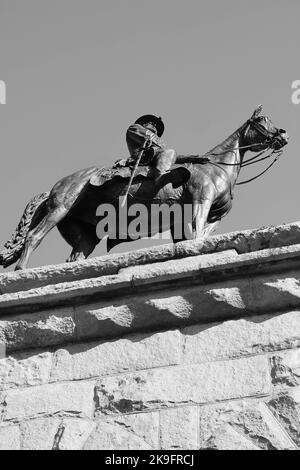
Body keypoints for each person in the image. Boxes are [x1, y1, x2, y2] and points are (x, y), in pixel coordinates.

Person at [125, 114, 178, 188]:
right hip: (143, 157)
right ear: (143, 124)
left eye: (156, 125)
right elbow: (147, 138)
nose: (154, 125)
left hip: (156, 156)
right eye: (150, 123)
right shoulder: (134, 127)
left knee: (172, 153)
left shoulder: (160, 144)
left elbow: (170, 154)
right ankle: (161, 176)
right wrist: (161, 144)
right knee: (170, 152)